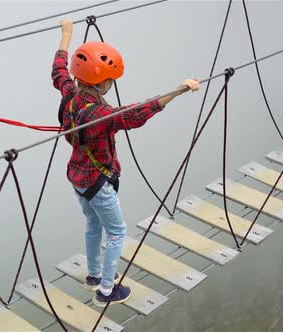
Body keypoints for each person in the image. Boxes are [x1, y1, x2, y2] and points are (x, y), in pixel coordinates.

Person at [52, 18, 200, 306]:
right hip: (97, 181)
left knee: (92, 224)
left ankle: (94, 276)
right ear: (104, 82)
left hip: (77, 178)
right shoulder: (99, 115)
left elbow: (58, 70)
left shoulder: (70, 94)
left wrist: (66, 35)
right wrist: (179, 90)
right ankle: (107, 290)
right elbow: (135, 114)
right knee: (117, 231)